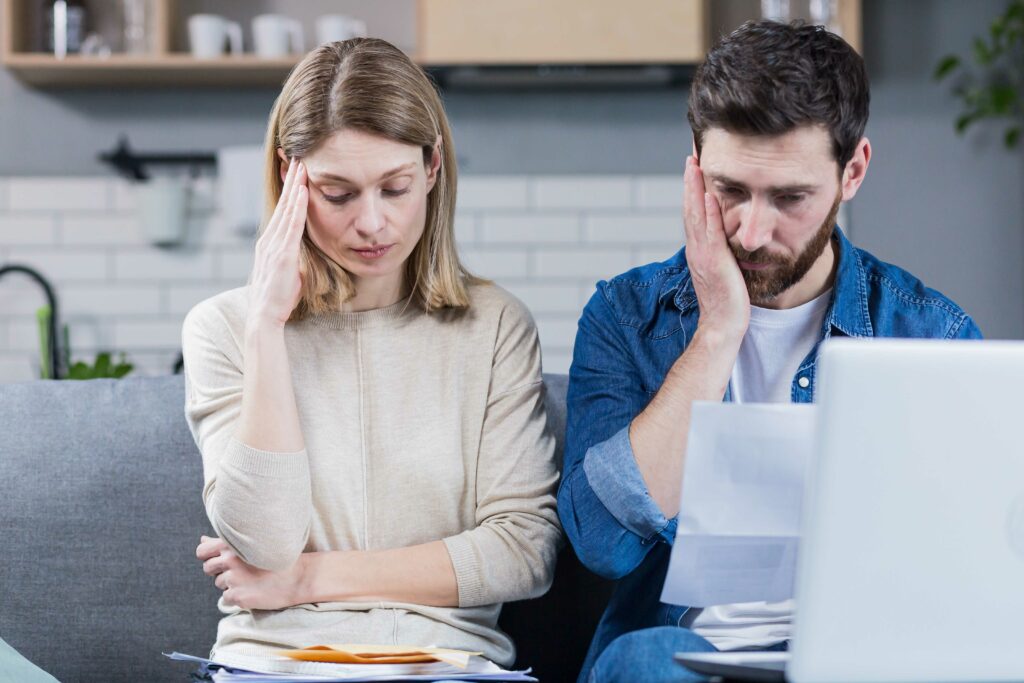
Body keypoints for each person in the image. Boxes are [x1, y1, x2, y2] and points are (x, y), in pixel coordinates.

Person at [559, 20, 982, 683]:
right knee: (640, 660)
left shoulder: (931, 335)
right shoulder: (624, 316)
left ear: (854, 171)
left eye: (790, 198)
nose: (752, 232)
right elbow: (603, 546)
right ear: (695, 170)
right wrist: (718, 331)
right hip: (682, 661)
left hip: (865, 659)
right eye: (729, 191)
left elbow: (971, 570)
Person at [181, 38, 561, 672]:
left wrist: (306, 580)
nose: (372, 224)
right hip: (278, 665)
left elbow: (522, 552)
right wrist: (266, 327)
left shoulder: (495, 327)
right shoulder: (225, 328)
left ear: (433, 166)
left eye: (395, 187)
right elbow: (266, 540)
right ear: (289, 179)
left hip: (446, 664)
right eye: (338, 194)